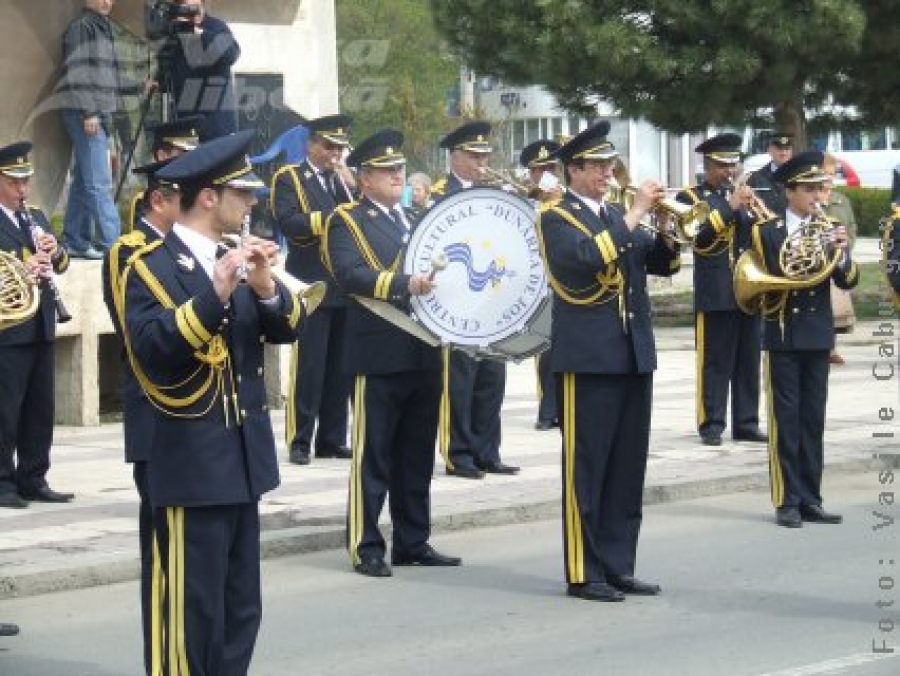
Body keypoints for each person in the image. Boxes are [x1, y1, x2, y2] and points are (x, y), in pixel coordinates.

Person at [121, 131, 304, 673]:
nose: (251, 203)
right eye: (242, 193)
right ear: (208, 197)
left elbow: (289, 329)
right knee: (191, 610)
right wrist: (215, 293)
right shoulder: (150, 265)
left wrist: (267, 286)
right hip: (190, 461)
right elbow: (154, 350)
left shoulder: (236, 258)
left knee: (240, 607)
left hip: (242, 459)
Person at [536, 121, 681, 602]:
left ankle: (619, 565)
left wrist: (665, 228)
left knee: (626, 467)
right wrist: (637, 211)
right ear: (573, 170)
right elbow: (585, 259)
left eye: (608, 164)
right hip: (589, 358)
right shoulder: (557, 218)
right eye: (596, 165)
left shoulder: (620, 214)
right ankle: (584, 569)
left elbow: (662, 265)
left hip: (633, 353)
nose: (606, 172)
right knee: (588, 466)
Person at [323, 128, 461, 577]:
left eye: (399, 169)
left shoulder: (417, 217)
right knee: (374, 453)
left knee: (417, 452)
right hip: (377, 352)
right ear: (364, 178)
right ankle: (365, 544)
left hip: (423, 348)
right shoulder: (347, 219)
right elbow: (349, 274)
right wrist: (406, 284)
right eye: (386, 171)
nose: (397, 176)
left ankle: (413, 540)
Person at [750, 151, 858, 528]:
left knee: (813, 421)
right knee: (786, 421)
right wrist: (811, 245)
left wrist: (840, 253)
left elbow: (847, 280)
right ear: (790, 191)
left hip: (816, 336)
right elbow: (780, 272)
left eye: (820, 189)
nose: (817, 196)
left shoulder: (828, 227)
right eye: (810, 190)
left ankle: (811, 497)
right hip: (782, 334)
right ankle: (787, 500)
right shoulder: (767, 230)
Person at [102, 157, 179, 673]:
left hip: (194, 421)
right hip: (154, 405)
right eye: (183, 194)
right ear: (158, 199)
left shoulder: (194, 251)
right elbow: (136, 334)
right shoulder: (131, 251)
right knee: (160, 551)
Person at [431, 120, 517, 478]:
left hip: (490, 298)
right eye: (474, 155)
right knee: (460, 378)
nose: (482, 162)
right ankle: (459, 453)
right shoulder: (440, 192)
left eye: (485, 155)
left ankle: (487, 451)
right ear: (455, 156)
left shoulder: (496, 193)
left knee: (492, 377)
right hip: (457, 299)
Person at [271, 114, 355, 465]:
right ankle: (300, 438)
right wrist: (336, 218)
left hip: (343, 283)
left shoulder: (344, 182)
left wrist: (352, 186)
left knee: (340, 368)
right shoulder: (289, 177)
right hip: (310, 282)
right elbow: (290, 224)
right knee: (310, 366)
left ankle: (332, 438)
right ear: (311, 145)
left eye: (339, 148)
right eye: (327, 147)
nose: (333, 154)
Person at [676, 133, 766, 447]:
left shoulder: (743, 196)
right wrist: (730, 206)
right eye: (721, 165)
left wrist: (756, 214)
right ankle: (711, 422)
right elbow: (698, 237)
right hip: (715, 293)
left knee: (749, 361)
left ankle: (747, 422)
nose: (728, 171)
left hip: (749, 291)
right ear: (707, 164)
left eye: (732, 165)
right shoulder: (691, 197)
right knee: (714, 362)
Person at [0, 141, 74, 509]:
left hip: (41, 321)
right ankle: (2, 481)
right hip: (8, 330)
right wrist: (21, 270)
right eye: (14, 182)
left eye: (25, 181)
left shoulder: (37, 216)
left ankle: (33, 476)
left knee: (39, 409)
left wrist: (54, 253)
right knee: (5, 410)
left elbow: (62, 264)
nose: (22, 189)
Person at [59, 0, 145, 258]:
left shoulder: (102, 28)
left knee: (85, 181)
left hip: (98, 113)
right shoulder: (82, 28)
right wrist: (90, 111)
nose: (108, 2)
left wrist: (140, 84)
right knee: (99, 183)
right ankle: (114, 247)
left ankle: (75, 240)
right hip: (87, 113)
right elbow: (78, 71)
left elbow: (110, 77)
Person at [520, 139, 562, 431]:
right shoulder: (523, 201)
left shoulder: (565, 198)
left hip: (564, 279)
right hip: (535, 281)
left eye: (550, 167)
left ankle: (561, 405)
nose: (546, 174)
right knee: (545, 349)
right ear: (531, 174)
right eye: (540, 170)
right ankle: (547, 410)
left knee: (565, 346)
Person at [166, 0, 241, 140]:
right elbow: (172, 72)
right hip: (186, 125)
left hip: (216, 125)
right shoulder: (176, 33)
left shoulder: (215, 26)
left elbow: (231, 53)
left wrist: (198, 32)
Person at [128, 115, 201, 231]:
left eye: (194, 154)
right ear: (162, 156)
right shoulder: (147, 201)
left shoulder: (203, 191)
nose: (191, 160)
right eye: (184, 154)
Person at [821, 153, 858, 365]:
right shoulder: (813, 201)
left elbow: (851, 227)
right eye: (825, 174)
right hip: (819, 260)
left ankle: (831, 348)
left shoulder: (841, 201)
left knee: (835, 307)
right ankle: (823, 347)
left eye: (832, 175)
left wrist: (847, 246)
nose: (829, 179)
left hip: (838, 259)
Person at [748, 132, 793, 215]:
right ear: (769, 151)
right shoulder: (756, 177)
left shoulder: (798, 176)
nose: (783, 153)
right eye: (779, 149)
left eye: (787, 149)